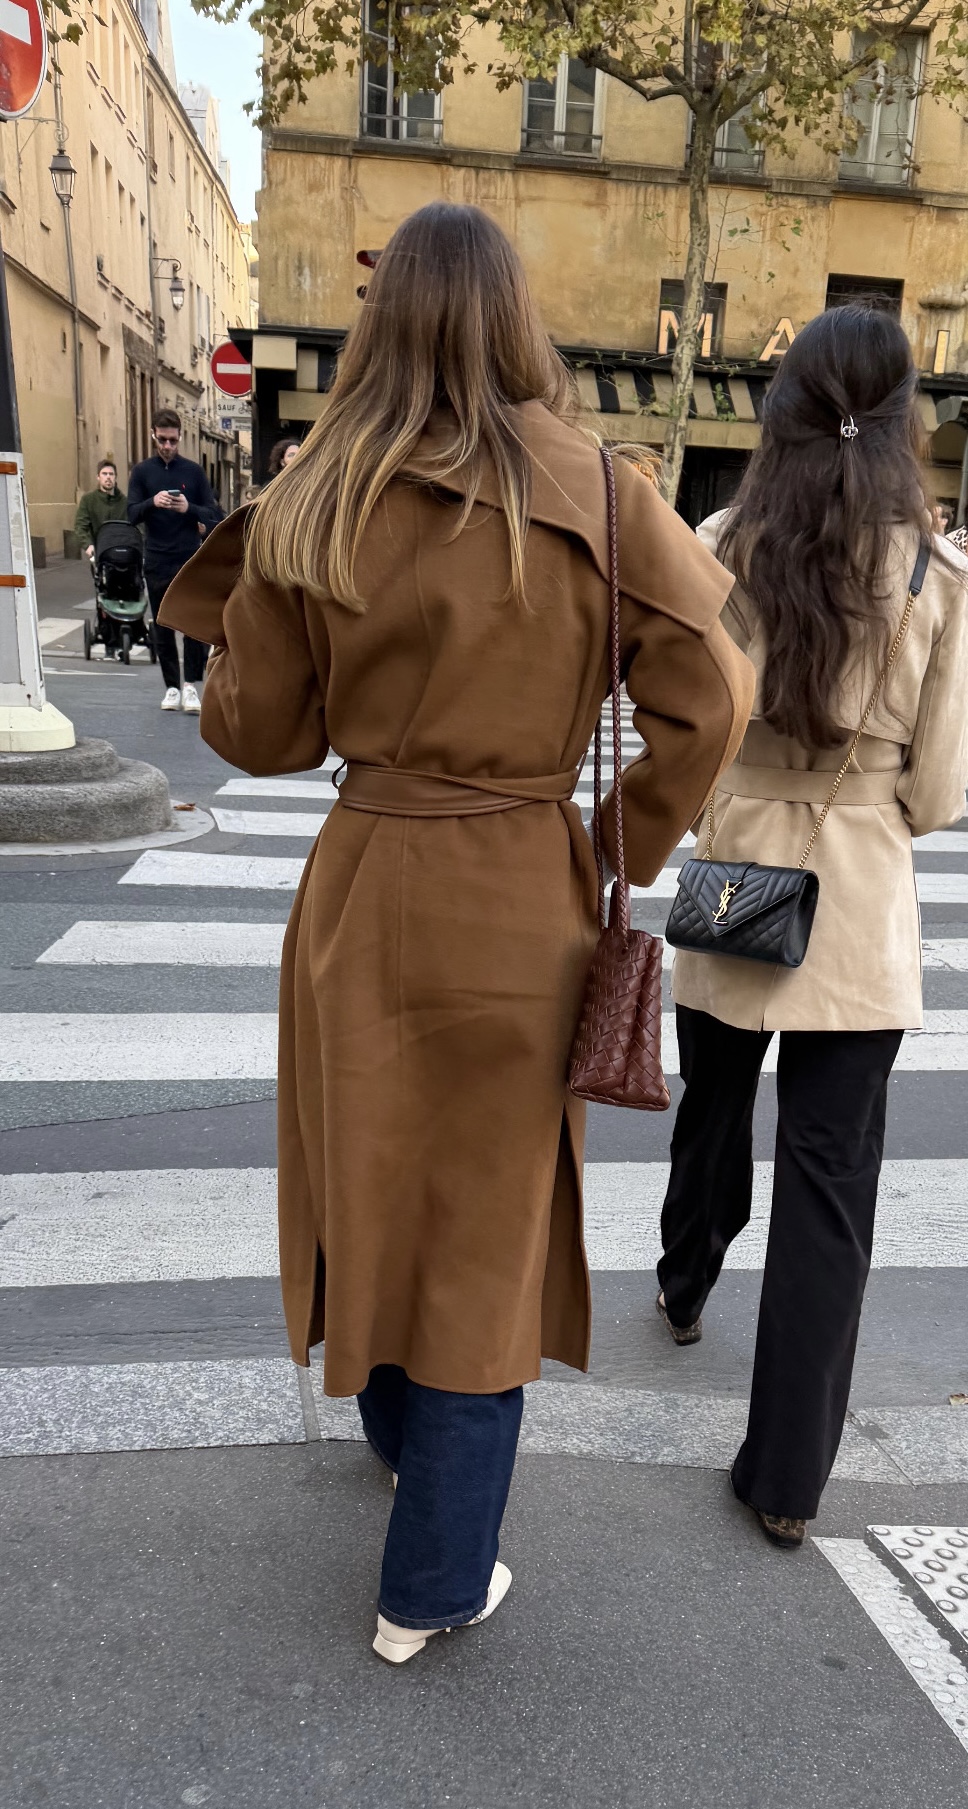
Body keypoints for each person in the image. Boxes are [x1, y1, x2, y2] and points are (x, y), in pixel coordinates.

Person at [159, 201, 754, 1663]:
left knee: (368, 1180)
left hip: (367, 885)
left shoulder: (322, 494)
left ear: (379, 325)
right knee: (487, 1228)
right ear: (513, 316)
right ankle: (431, 1577)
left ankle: (400, 1441)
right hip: (519, 890)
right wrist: (616, 841)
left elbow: (257, 730)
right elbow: (713, 698)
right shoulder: (598, 488)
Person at [657, 305, 968, 1549]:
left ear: (775, 410)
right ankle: (785, 1480)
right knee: (830, 1188)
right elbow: (938, 794)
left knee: (713, 1102)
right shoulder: (933, 577)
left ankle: (684, 1283)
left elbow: (683, 730)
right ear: (902, 426)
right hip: (856, 893)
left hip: (738, 868)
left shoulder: (719, 543)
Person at [127, 409, 223, 713]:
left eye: (172, 440)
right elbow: (129, 514)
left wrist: (188, 508)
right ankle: (170, 686)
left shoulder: (193, 472)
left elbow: (214, 514)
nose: (167, 445)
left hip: (187, 557)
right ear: (154, 434)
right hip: (156, 557)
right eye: (162, 439)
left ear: (180, 437)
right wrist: (152, 502)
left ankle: (190, 686)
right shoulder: (142, 472)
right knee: (162, 623)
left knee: (192, 623)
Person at [75, 459, 127, 557]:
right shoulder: (88, 500)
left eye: (111, 474)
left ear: (115, 477)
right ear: (98, 477)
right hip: (99, 553)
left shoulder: (125, 502)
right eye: (104, 474)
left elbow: (136, 526)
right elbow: (80, 526)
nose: (108, 477)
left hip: (122, 552)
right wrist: (88, 545)